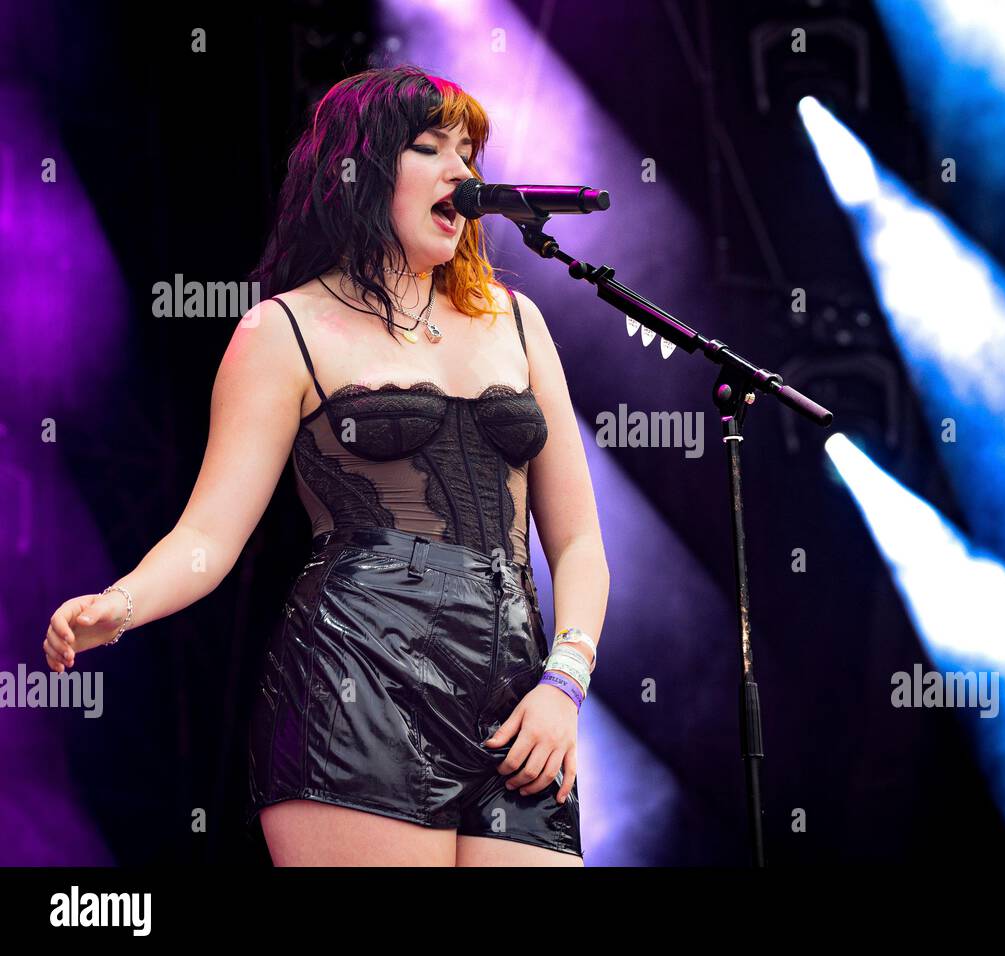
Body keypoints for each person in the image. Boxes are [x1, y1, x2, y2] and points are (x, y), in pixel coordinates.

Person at [41, 66, 610, 866]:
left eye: (471, 154)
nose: (463, 173)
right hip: (357, 689)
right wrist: (120, 603)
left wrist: (565, 683)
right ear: (363, 166)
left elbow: (580, 543)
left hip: (519, 700)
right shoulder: (285, 329)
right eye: (430, 147)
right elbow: (211, 533)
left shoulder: (519, 322)